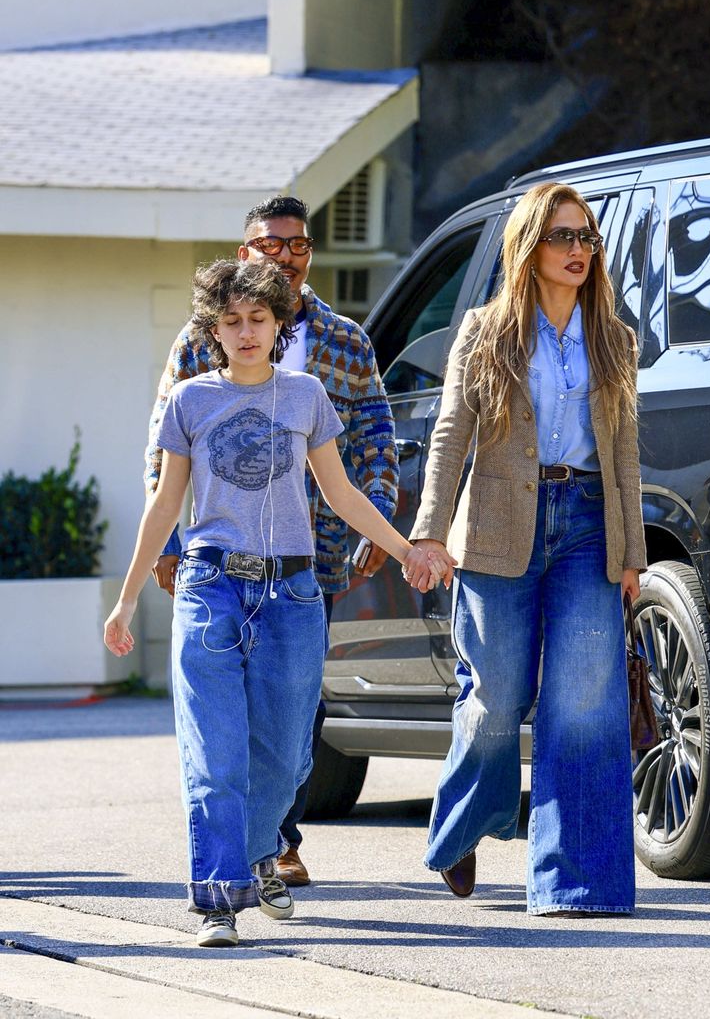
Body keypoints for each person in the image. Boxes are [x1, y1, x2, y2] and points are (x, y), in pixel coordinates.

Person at [105, 259, 451, 947]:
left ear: (277, 324)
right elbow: (165, 504)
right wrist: (125, 600)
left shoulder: (305, 395)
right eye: (231, 321)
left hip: (292, 593)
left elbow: (341, 492)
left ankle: (260, 850)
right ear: (213, 331)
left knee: (288, 758)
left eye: (257, 319)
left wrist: (406, 548)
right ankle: (218, 900)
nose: (245, 332)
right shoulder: (189, 401)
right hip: (211, 589)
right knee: (215, 757)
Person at [144, 196, 398, 888]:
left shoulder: (344, 340)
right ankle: (244, 865)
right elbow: (164, 446)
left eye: (298, 245)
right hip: (219, 556)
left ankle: (276, 834)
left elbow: (374, 432)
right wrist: (166, 542)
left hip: (312, 551)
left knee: (291, 711)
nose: (285, 255)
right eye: (270, 244)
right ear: (245, 252)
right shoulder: (205, 335)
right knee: (225, 721)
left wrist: (379, 517)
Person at [410, 181, 647, 916]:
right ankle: (463, 828)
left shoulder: (614, 336)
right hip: (495, 527)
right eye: (562, 236)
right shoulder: (485, 330)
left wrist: (631, 555)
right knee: (493, 700)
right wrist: (428, 531)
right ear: (528, 247)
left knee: (583, 704)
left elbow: (625, 452)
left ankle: (577, 884)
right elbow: (450, 434)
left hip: (587, 524)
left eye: (587, 238)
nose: (579, 250)